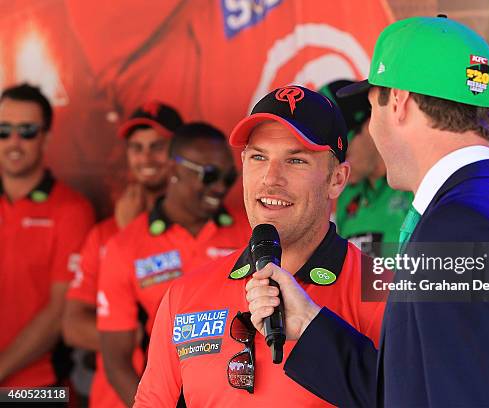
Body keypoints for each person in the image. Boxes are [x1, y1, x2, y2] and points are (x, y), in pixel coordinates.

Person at [246, 16, 489, 407]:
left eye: (371, 107)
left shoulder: (458, 231)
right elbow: (419, 389)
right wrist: (308, 324)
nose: (371, 131)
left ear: (397, 102)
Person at [133, 85, 386, 407]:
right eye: (258, 157)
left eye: (296, 160)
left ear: (337, 179)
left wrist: (316, 330)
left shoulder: (384, 289)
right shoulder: (184, 294)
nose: (271, 178)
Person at [97, 122, 251, 406]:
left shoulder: (249, 233)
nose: (219, 187)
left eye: (228, 177)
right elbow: (116, 359)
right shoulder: (125, 246)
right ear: (173, 169)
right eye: (209, 175)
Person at [62, 101, 183, 407]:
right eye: (136, 147)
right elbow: (73, 326)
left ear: (180, 152)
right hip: (113, 397)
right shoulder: (105, 234)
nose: (146, 157)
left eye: (157, 146)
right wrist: (127, 234)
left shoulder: (199, 226)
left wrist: (136, 235)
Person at [0, 84, 95, 387]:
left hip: (40, 388)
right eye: (4, 130)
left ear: (46, 137)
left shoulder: (71, 210)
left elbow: (59, 314)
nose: (14, 142)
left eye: (27, 131)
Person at [321, 79, 414, 257]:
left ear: (370, 123)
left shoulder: (416, 183)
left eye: (344, 149)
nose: (337, 161)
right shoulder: (346, 195)